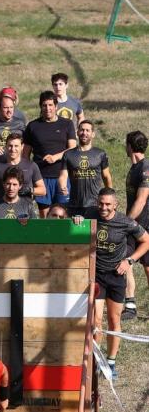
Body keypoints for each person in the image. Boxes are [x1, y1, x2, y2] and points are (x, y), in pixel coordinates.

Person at [73, 188, 149, 379]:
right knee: (96, 321)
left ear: (115, 205)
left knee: (114, 321)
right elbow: (71, 220)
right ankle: (96, 362)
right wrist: (77, 221)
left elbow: (146, 241)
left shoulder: (125, 222)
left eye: (108, 204)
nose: (104, 208)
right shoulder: (90, 214)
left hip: (115, 278)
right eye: (101, 203)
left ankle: (111, 362)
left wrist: (129, 261)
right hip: (96, 276)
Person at [23, 90, 77, 217]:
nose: (48, 108)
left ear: (56, 106)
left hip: (62, 176)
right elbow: (25, 155)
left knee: (62, 214)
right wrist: (27, 176)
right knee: (45, 216)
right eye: (44, 105)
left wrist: (56, 157)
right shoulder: (33, 126)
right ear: (40, 107)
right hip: (41, 178)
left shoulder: (67, 124)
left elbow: (73, 148)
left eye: (50, 105)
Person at [58, 121, 112, 217]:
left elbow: (106, 176)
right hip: (74, 204)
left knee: (94, 231)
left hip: (95, 204)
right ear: (77, 132)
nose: (84, 133)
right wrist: (63, 186)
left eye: (88, 130)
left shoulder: (100, 153)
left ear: (93, 134)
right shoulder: (68, 154)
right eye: (82, 130)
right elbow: (63, 175)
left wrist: (110, 197)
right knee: (76, 232)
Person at [122, 131, 149, 321]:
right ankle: (130, 304)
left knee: (148, 266)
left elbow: (141, 200)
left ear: (130, 146)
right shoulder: (135, 167)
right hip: (134, 223)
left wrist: (125, 222)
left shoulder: (146, 168)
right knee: (125, 258)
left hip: (144, 222)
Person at [0, 133, 45, 203]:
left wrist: (29, 190)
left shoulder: (31, 166)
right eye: (10, 146)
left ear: (22, 147)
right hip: (3, 209)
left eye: (16, 146)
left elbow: (43, 190)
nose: (13, 149)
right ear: (6, 147)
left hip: (25, 210)